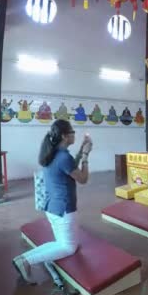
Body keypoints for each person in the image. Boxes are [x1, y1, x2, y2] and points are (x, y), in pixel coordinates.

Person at [12, 119, 92, 285]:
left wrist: (80, 152)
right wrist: (85, 155)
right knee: (68, 248)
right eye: (72, 132)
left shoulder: (54, 153)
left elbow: (70, 169)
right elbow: (83, 178)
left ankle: (23, 258)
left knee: (62, 243)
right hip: (63, 209)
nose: (74, 135)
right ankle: (26, 262)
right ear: (64, 136)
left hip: (53, 208)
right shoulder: (63, 157)